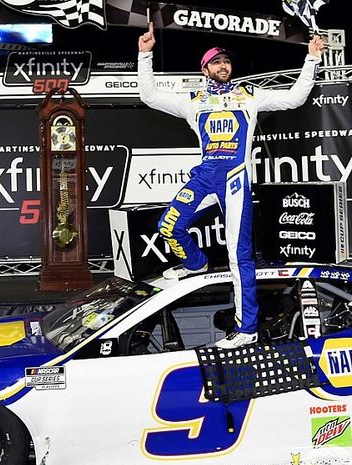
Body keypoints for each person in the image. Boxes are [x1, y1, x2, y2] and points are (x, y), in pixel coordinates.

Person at [137, 22, 324, 348]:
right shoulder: (192, 101)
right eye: (216, 62)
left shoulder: (248, 96)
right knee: (169, 225)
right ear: (205, 68)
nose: (223, 66)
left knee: (240, 257)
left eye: (227, 62)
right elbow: (149, 96)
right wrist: (145, 55)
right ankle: (196, 264)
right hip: (206, 174)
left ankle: (247, 329)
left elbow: (294, 98)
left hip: (236, 178)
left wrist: (311, 60)